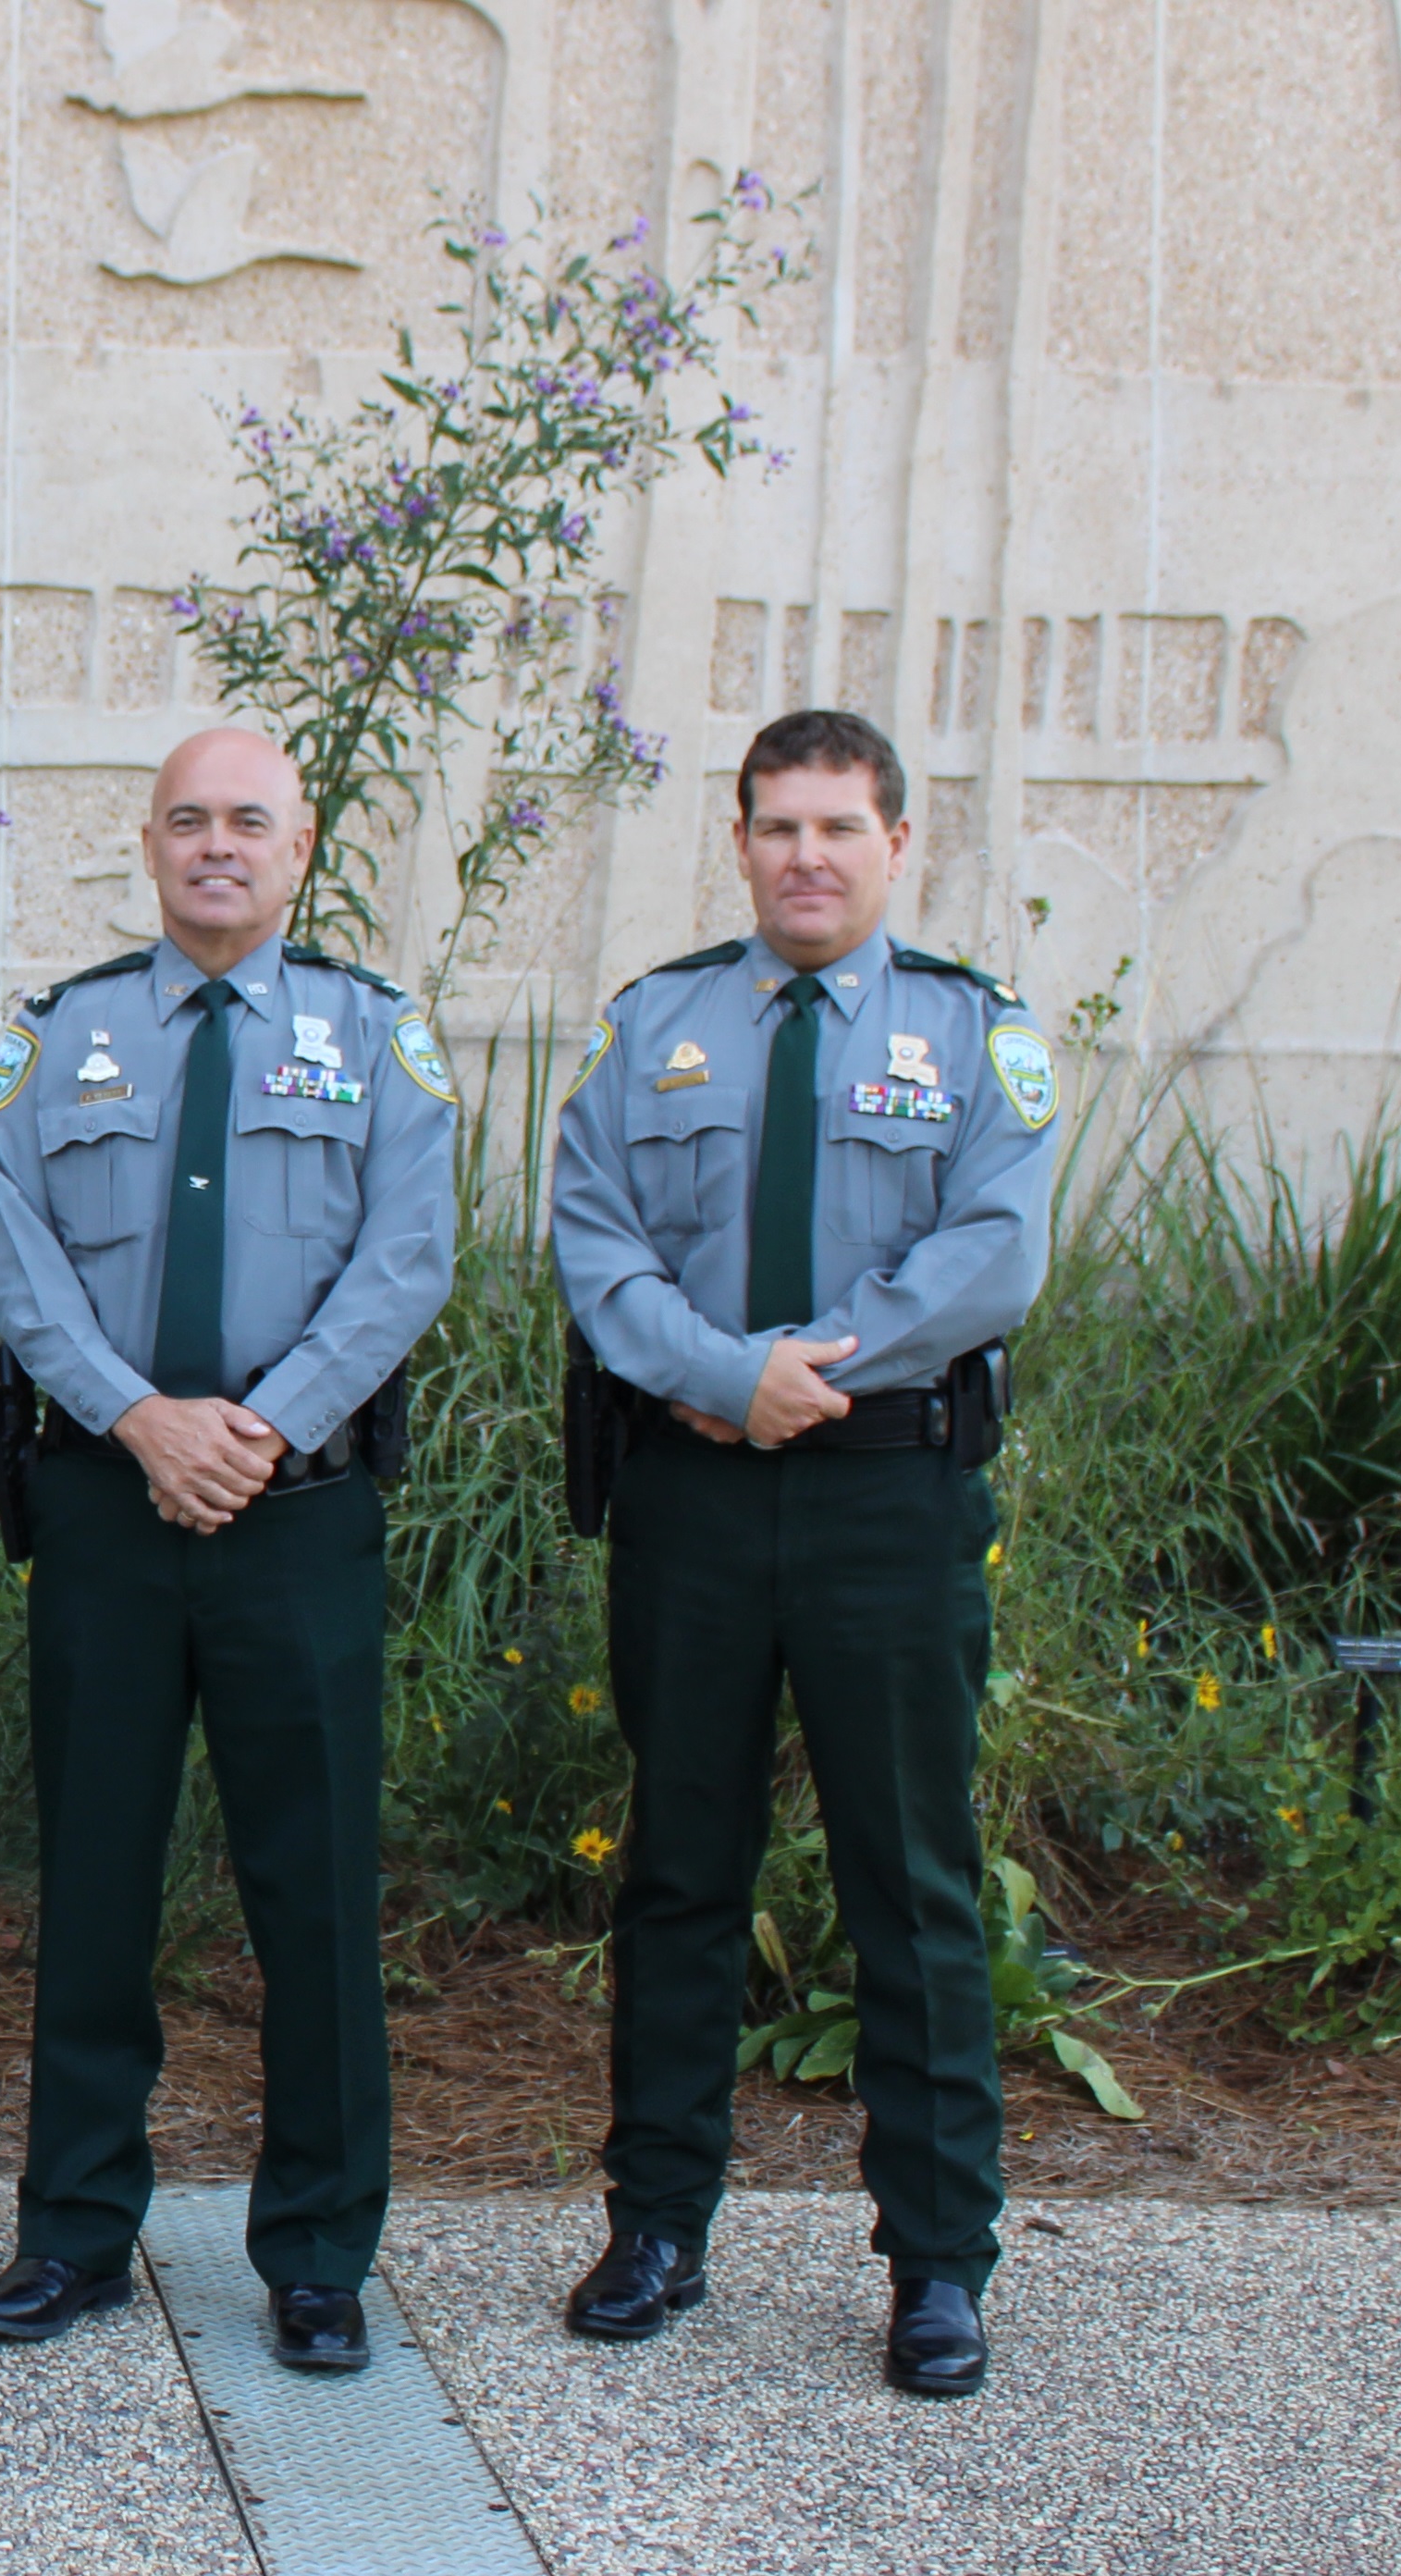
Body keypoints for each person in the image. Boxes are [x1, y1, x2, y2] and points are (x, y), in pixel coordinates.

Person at [547, 707, 1056, 2399]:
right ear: (742, 839)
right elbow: (594, 1235)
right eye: (776, 827)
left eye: (840, 827)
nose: (807, 857)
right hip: (692, 1496)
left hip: (883, 1503)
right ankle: (657, 2225)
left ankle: (936, 2262)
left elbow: (992, 1251)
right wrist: (718, 1377)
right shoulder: (655, 1026)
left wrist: (807, 1367)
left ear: (896, 843)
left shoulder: (969, 1032)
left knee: (907, 1883)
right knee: (680, 1867)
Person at [0, 726, 455, 2371]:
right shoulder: (62, 1039)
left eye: (249, 820)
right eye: (188, 820)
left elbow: (406, 1257)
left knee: (309, 1896)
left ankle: (316, 2254)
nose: (217, 846)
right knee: (94, 1880)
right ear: (150, 843)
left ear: (300, 844)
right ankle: (73, 2230)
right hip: (110, 1508)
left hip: (292, 1518)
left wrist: (256, 1425)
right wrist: (138, 1421)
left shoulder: (374, 1038)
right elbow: (18, 1267)